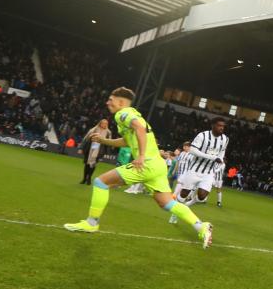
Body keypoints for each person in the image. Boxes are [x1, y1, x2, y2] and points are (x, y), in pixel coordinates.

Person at [64, 87, 212, 248]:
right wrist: (104, 141)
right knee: (167, 204)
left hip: (146, 164)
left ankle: (91, 223)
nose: (107, 102)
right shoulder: (133, 114)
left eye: (111, 99)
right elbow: (127, 141)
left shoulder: (123, 114)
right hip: (157, 165)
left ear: (121, 102)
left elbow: (139, 129)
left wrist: (141, 156)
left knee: (101, 182)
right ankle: (201, 226)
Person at [170, 119, 228, 223]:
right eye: (219, 125)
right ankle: (176, 213)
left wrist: (219, 159)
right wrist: (211, 157)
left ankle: (186, 206)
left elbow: (222, 151)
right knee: (184, 193)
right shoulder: (202, 136)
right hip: (194, 169)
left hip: (209, 172)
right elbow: (192, 150)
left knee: (202, 196)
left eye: (223, 126)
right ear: (213, 125)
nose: (222, 128)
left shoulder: (225, 139)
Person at [79, 118, 110, 185]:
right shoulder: (93, 130)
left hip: (99, 151)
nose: (104, 124)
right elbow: (86, 138)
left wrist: (106, 152)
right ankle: (84, 178)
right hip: (90, 149)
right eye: (103, 123)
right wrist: (81, 148)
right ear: (100, 123)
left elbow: (108, 143)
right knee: (87, 164)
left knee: (93, 165)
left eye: (106, 123)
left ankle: (89, 178)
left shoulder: (108, 132)